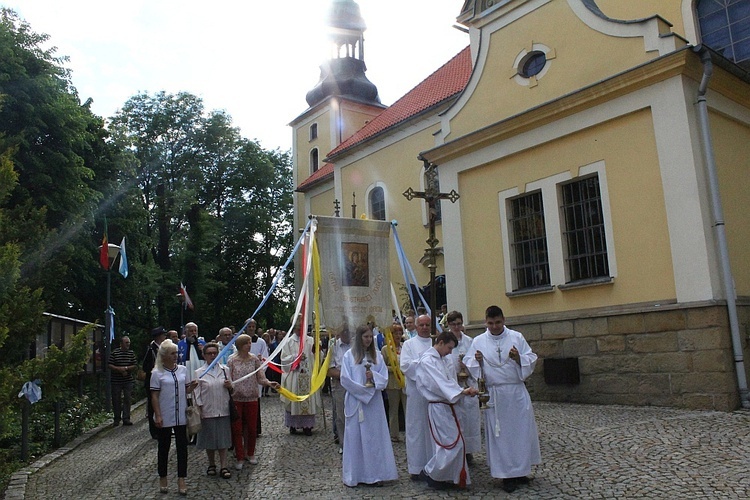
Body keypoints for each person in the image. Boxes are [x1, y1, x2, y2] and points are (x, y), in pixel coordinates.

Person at [464, 305, 542, 493]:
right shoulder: (479, 341)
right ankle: (506, 475)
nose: (494, 326)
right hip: (495, 395)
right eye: (490, 323)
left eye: (498, 322)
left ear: (503, 320)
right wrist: (478, 361)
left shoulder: (516, 337)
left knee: (520, 433)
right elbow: (469, 363)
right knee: (501, 436)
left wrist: (518, 358)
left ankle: (521, 471)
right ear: (486, 322)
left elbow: (531, 358)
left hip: (515, 393)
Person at [416, 331, 479, 489]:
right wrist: (461, 392)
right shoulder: (427, 361)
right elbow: (438, 384)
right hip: (439, 407)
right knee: (451, 444)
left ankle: (449, 477)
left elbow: (449, 381)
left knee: (455, 442)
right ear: (441, 342)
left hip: (449, 406)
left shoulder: (443, 359)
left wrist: (462, 390)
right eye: (449, 348)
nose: (450, 352)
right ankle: (432, 474)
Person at [340, 324, 398, 487]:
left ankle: (376, 474)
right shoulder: (349, 356)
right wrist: (363, 393)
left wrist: (373, 377)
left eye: (369, 337)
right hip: (356, 401)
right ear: (359, 338)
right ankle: (356, 475)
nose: (367, 340)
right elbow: (345, 379)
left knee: (373, 437)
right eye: (364, 337)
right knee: (356, 438)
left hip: (374, 403)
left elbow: (384, 379)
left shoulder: (377, 356)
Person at [150, 339, 198, 495]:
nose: (175, 356)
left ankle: (181, 479)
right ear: (164, 356)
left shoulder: (183, 370)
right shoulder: (157, 373)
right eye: (172, 353)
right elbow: (154, 396)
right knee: (163, 448)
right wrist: (158, 415)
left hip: (181, 416)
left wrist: (192, 387)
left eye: (176, 353)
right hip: (165, 414)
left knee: (182, 448)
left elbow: (185, 390)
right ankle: (163, 477)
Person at [227, 334, 279, 470]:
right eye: (246, 343)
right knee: (237, 429)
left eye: (250, 343)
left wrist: (269, 383)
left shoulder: (254, 360)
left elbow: (260, 377)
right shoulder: (232, 360)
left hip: (252, 398)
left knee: (251, 428)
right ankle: (239, 456)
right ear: (239, 346)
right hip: (237, 398)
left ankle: (250, 453)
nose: (249, 345)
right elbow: (229, 378)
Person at [399, 314, 435, 480]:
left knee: (433, 429)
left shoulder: (436, 342)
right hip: (416, 393)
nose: (425, 328)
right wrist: (426, 365)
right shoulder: (409, 344)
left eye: (428, 324)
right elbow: (406, 365)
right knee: (416, 429)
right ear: (416, 326)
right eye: (422, 325)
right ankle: (417, 467)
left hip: (434, 393)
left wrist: (423, 365)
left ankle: (434, 465)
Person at [194, 342, 234, 479]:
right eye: (209, 353)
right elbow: (197, 393)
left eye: (215, 353)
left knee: (223, 440)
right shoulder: (199, 372)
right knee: (209, 440)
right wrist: (199, 409)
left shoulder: (225, 370)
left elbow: (232, 390)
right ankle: (211, 464)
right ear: (204, 356)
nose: (212, 356)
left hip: (223, 409)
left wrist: (230, 386)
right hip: (208, 410)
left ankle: (224, 466)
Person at [446, 310, 481, 464]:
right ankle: (457, 450)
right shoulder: (445, 340)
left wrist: (467, 366)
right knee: (455, 418)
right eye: (453, 324)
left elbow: (476, 362)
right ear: (448, 325)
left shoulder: (470, 341)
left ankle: (469, 451)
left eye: (459, 324)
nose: (456, 327)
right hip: (453, 384)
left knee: (470, 419)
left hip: (468, 383)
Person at [280, 325, 320, 435]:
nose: (300, 330)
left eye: (301, 327)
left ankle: (307, 426)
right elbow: (284, 359)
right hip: (295, 375)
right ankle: (293, 425)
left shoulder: (310, 340)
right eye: (298, 327)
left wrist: (317, 350)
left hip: (308, 374)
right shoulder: (288, 341)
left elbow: (317, 356)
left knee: (308, 398)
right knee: (294, 398)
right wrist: (295, 358)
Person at [327, 325, 351, 453]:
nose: (347, 333)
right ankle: (343, 443)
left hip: (355, 384)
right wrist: (346, 375)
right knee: (341, 415)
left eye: (348, 329)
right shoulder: (334, 346)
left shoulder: (356, 345)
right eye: (344, 330)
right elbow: (329, 369)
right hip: (340, 384)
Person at [381, 322, 406, 442]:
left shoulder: (405, 347)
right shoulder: (385, 349)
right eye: (395, 333)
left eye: (400, 333)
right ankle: (394, 434)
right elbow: (382, 366)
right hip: (392, 383)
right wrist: (393, 369)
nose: (398, 335)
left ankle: (409, 431)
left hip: (405, 382)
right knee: (393, 409)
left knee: (407, 408)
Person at [143, 326, 168, 439]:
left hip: (163, 379)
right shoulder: (151, 349)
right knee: (153, 405)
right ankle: (154, 431)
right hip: (152, 380)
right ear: (159, 337)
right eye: (163, 335)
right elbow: (145, 366)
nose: (164, 337)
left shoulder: (163, 348)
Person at [109, 336, 137, 427]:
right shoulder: (115, 353)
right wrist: (119, 369)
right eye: (126, 343)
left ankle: (126, 418)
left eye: (129, 342)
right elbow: (110, 365)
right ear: (121, 344)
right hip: (116, 380)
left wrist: (126, 369)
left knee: (127, 399)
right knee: (116, 399)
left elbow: (134, 365)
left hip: (127, 380)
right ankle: (117, 418)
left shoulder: (131, 353)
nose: (128, 344)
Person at [247, 319, 268, 436]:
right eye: (249, 326)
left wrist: (259, 372)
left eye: (253, 326)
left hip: (256, 376)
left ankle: (255, 428)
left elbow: (265, 358)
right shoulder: (240, 341)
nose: (251, 328)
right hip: (243, 376)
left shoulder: (261, 342)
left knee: (255, 402)